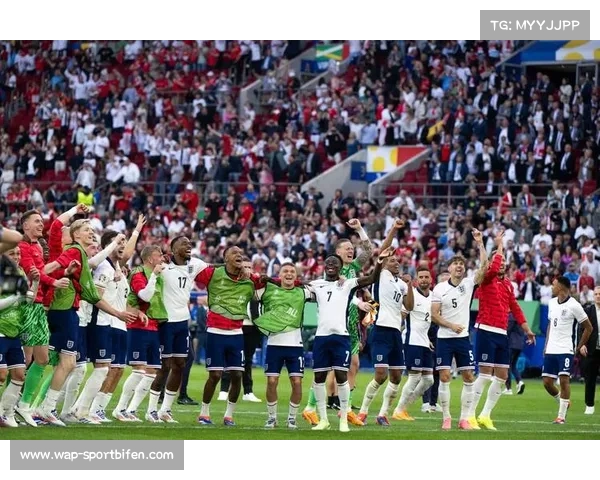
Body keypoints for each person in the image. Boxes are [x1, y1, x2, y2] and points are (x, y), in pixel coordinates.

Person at [37, 219, 137, 426]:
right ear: (76, 235)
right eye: (87, 230)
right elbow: (59, 268)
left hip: (72, 313)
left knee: (67, 364)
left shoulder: (81, 255)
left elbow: (86, 286)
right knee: (50, 362)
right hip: (67, 312)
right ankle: (41, 408)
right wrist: (39, 274)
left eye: (92, 230)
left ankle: (52, 409)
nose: (92, 234)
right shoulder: (75, 251)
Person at [311, 247, 393, 433]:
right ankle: (323, 419)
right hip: (321, 337)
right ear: (324, 266)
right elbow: (295, 286)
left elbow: (371, 279)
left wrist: (379, 262)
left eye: (335, 263)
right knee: (318, 377)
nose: (331, 265)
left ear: (340, 268)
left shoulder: (348, 284)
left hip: (341, 337)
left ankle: (343, 420)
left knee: (342, 376)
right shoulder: (316, 284)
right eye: (328, 262)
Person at [468, 229, 535, 430]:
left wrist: (527, 329)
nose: (502, 262)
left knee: (502, 376)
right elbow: (494, 264)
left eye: (505, 260)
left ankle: (485, 415)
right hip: (485, 330)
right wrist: (499, 245)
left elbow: (515, 307)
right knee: (484, 375)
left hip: (501, 333)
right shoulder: (486, 279)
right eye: (500, 259)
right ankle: (469, 416)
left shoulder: (508, 285)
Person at [15, 208, 75, 426]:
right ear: (25, 226)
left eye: (42, 221)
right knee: (21, 361)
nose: (41, 224)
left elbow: (41, 272)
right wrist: (55, 282)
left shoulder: (37, 247)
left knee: (41, 359)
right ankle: (8, 407)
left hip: (39, 307)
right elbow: (35, 272)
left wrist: (61, 275)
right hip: (27, 306)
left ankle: (22, 406)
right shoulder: (22, 247)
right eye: (37, 221)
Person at [195, 246, 264, 426]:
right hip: (215, 332)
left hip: (236, 333)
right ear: (225, 258)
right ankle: (204, 413)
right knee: (215, 375)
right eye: (234, 253)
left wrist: (253, 275)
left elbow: (271, 282)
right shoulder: (213, 273)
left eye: (241, 253)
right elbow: (190, 270)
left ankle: (229, 415)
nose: (239, 254)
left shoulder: (250, 280)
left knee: (237, 375)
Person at [145, 236, 206, 423]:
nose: (189, 245)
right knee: (164, 366)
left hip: (182, 322)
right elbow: (145, 275)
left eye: (190, 243)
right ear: (172, 249)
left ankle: (165, 410)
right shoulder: (163, 266)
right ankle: (151, 410)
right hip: (166, 322)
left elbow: (215, 269)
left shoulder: (195, 264)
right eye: (184, 243)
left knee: (180, 364)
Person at [431, 243, 489, 431]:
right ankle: (446, 417)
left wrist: (480, 244)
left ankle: (464, 419)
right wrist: (451, 325)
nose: (459, 266)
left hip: (463, 338)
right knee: (444, 376)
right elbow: (434, 315)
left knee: (469, 376)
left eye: (461, 264)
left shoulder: (469, 284)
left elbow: (484, 267)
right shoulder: (439, 288)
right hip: (444, 338)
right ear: (449, 268)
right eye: (455, 263)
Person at [254, 262, 314, 429]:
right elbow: (250, 298)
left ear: (296, 276)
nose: (289, 274)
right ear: (279, 275)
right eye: (285, 271)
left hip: (295, 345)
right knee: (272, 381)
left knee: (297, 382)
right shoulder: (268, 290)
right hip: (274, 343)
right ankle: (272, 418)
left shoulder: (304, 292)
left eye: (292, 271)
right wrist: (259, 322)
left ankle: (291, 418)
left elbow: (320, 293)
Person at [357, 254, 413, 426]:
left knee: (396, 377)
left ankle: (382, 414)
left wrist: (409, 285)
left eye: (398, 260)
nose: (397, 262)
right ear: (384, 263)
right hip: (381, 331)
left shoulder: (401, 284)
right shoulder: (380, 276)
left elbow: (409, 306)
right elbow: (381, 254)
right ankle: (363, 412)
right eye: (392, 260)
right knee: (381, 375)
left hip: (396, 333)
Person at [113, 244, 164, 422]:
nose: (162, 258)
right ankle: (120, 409)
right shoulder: (138, 273)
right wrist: (155, 276)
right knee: (139, 371)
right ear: (150, 258)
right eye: (159, 255)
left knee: (151, 372)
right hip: (137, 326)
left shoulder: (158, 274)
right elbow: (145, 296)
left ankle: (132, 410)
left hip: (154, 325)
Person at [542, 276, 592, 424]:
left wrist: (579, 346)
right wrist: (546, 345)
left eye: (554, 284)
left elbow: (588, 328)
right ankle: (563, 401)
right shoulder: (552, 303)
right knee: (547, 382)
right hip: (551, 348)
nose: (552, 287)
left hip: (566, 348)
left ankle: (561, 416)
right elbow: (550, 325)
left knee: (564, 380)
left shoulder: (574, 305)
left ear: (561, 287)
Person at [0, 248, 39, 427]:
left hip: (14, 331)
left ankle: (5, 413)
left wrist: (35, 283)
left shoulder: (20, 274)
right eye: (12, 254)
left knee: (19, 374)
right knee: (1, 375)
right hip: (1, 330)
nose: (16, 257)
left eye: (18, 254)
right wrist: (17, 296)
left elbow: (28, 300)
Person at [218, 258, 264, 403]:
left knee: (248, 360)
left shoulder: (258, 286)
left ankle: (248, 391)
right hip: (235, 325)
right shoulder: (232, 284)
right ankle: (224, 389)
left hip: (252, 327)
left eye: (249, 267)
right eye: (245, 267)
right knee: (229, 358)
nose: (247, 270)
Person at [393, 266, 435, 421]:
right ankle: (399, 410)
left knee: (429, 380)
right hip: (412, 341)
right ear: (417, 280)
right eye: (421, 277)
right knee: (414, 377)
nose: (424, 280)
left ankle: (404, 407)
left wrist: (428, 340)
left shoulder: (433, 297)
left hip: (425, 341)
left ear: (431, 279)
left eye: (426, 277)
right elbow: (402, 316)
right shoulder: (412, 295)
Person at [582, 286, 600, 414]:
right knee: (590, 378)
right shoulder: (588, 311)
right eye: (596, 294)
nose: (598, 296)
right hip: (592, 349)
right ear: (593, 296)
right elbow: (582, 329)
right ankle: (589, 405)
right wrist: (582, 344)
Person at [505, 314, 526, 395]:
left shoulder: (511, 316)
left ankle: (508, 388)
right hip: (519, 345)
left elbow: (507, 330)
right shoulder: (521, 317)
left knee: (507, 365)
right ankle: (519, 382)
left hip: (512, 344)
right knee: (513, 365)